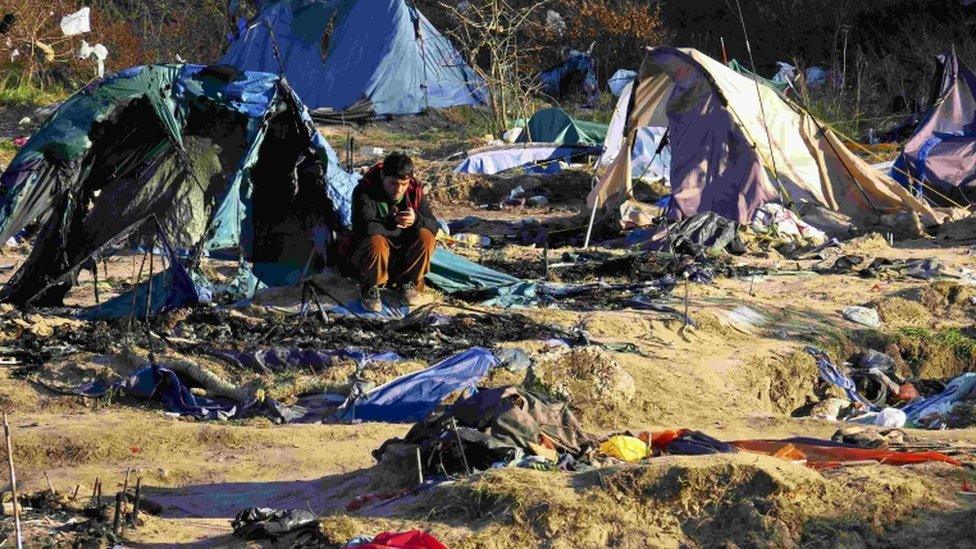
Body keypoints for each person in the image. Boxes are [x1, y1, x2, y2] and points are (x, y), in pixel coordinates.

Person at [350, 152, 438, 312]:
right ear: (383, 176)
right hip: (372, 258)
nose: (398, 190)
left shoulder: (414, 192)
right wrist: (396, 227)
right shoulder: (364, 191)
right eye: (393, 183)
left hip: (403, 257)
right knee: (376, 242)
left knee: (427, 237)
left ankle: (407, 284)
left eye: (403, 184)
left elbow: (434, 226)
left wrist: (416, 220)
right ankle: (371, 287)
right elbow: (365, 227)